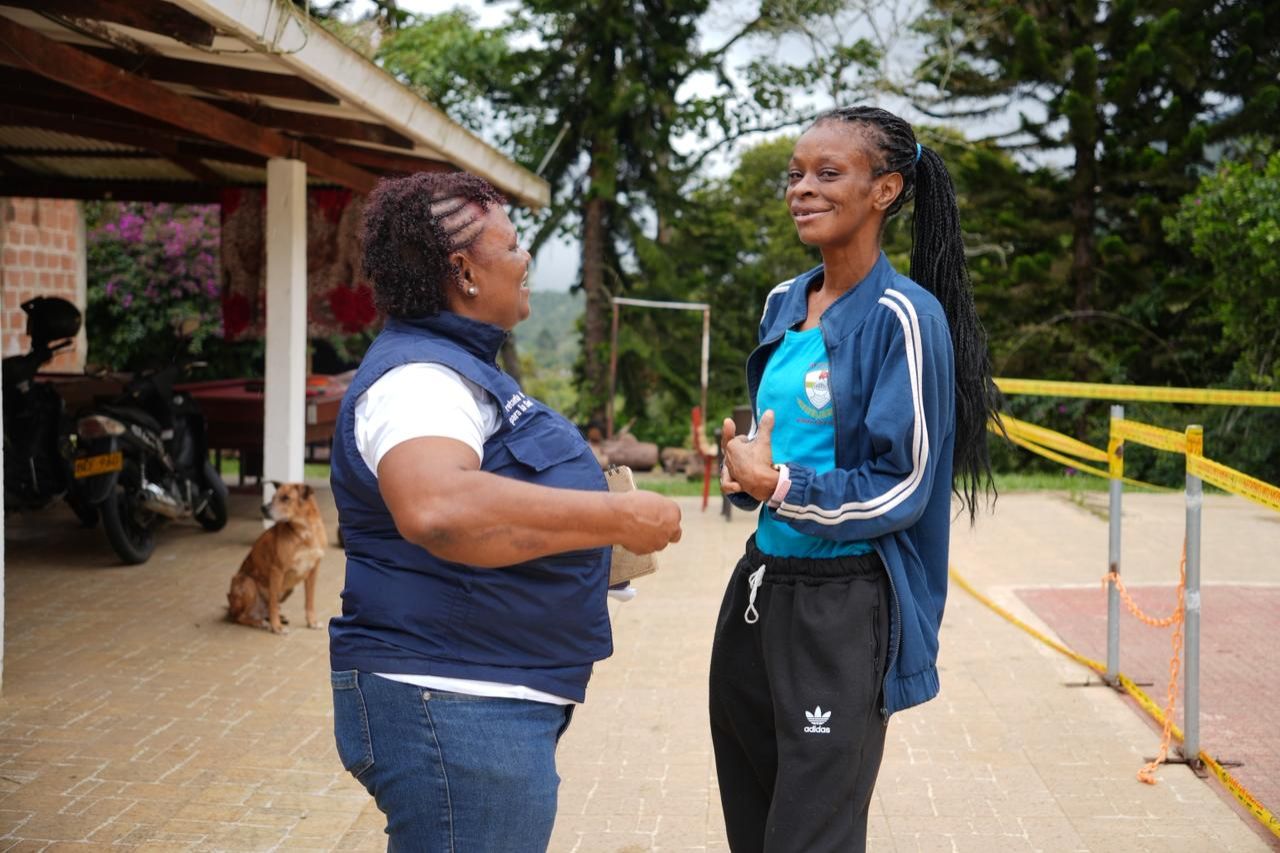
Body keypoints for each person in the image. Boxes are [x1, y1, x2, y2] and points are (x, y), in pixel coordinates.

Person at [328, 171, 683, 852]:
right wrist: (617, 520)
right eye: (514, 245)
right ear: (463, 271)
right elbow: (438, 506)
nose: (526, 261)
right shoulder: (418, 382)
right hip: (451, 697)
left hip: (477, 692)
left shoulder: (453, 369)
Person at [710, 105, 1002, 852]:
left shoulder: (905, 316)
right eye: (796, 174)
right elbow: (788, 442)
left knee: (810, 837)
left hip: (842, 606)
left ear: (885, 190)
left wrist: (779, 484)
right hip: (758, 590)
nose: (802, 189)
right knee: (755, 823)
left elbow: (903, 483)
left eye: (827, 173)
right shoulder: (784, 300)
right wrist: (746, 472)